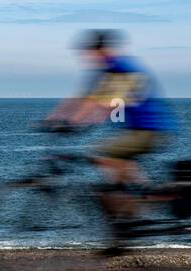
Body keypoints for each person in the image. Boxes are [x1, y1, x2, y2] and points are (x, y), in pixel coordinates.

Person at [44, 30, 178, 201]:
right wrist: (52, 119)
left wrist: (74, 122)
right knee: (114, 174)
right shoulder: (108, 70)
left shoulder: (122, 68)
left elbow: (102, 101)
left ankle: (148, 193)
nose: (87, 56)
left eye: (90, 52)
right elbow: (82, 97)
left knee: (102, 153)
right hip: (137, 130)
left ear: (101, 50)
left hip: (152, 130)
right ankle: (128, 212)